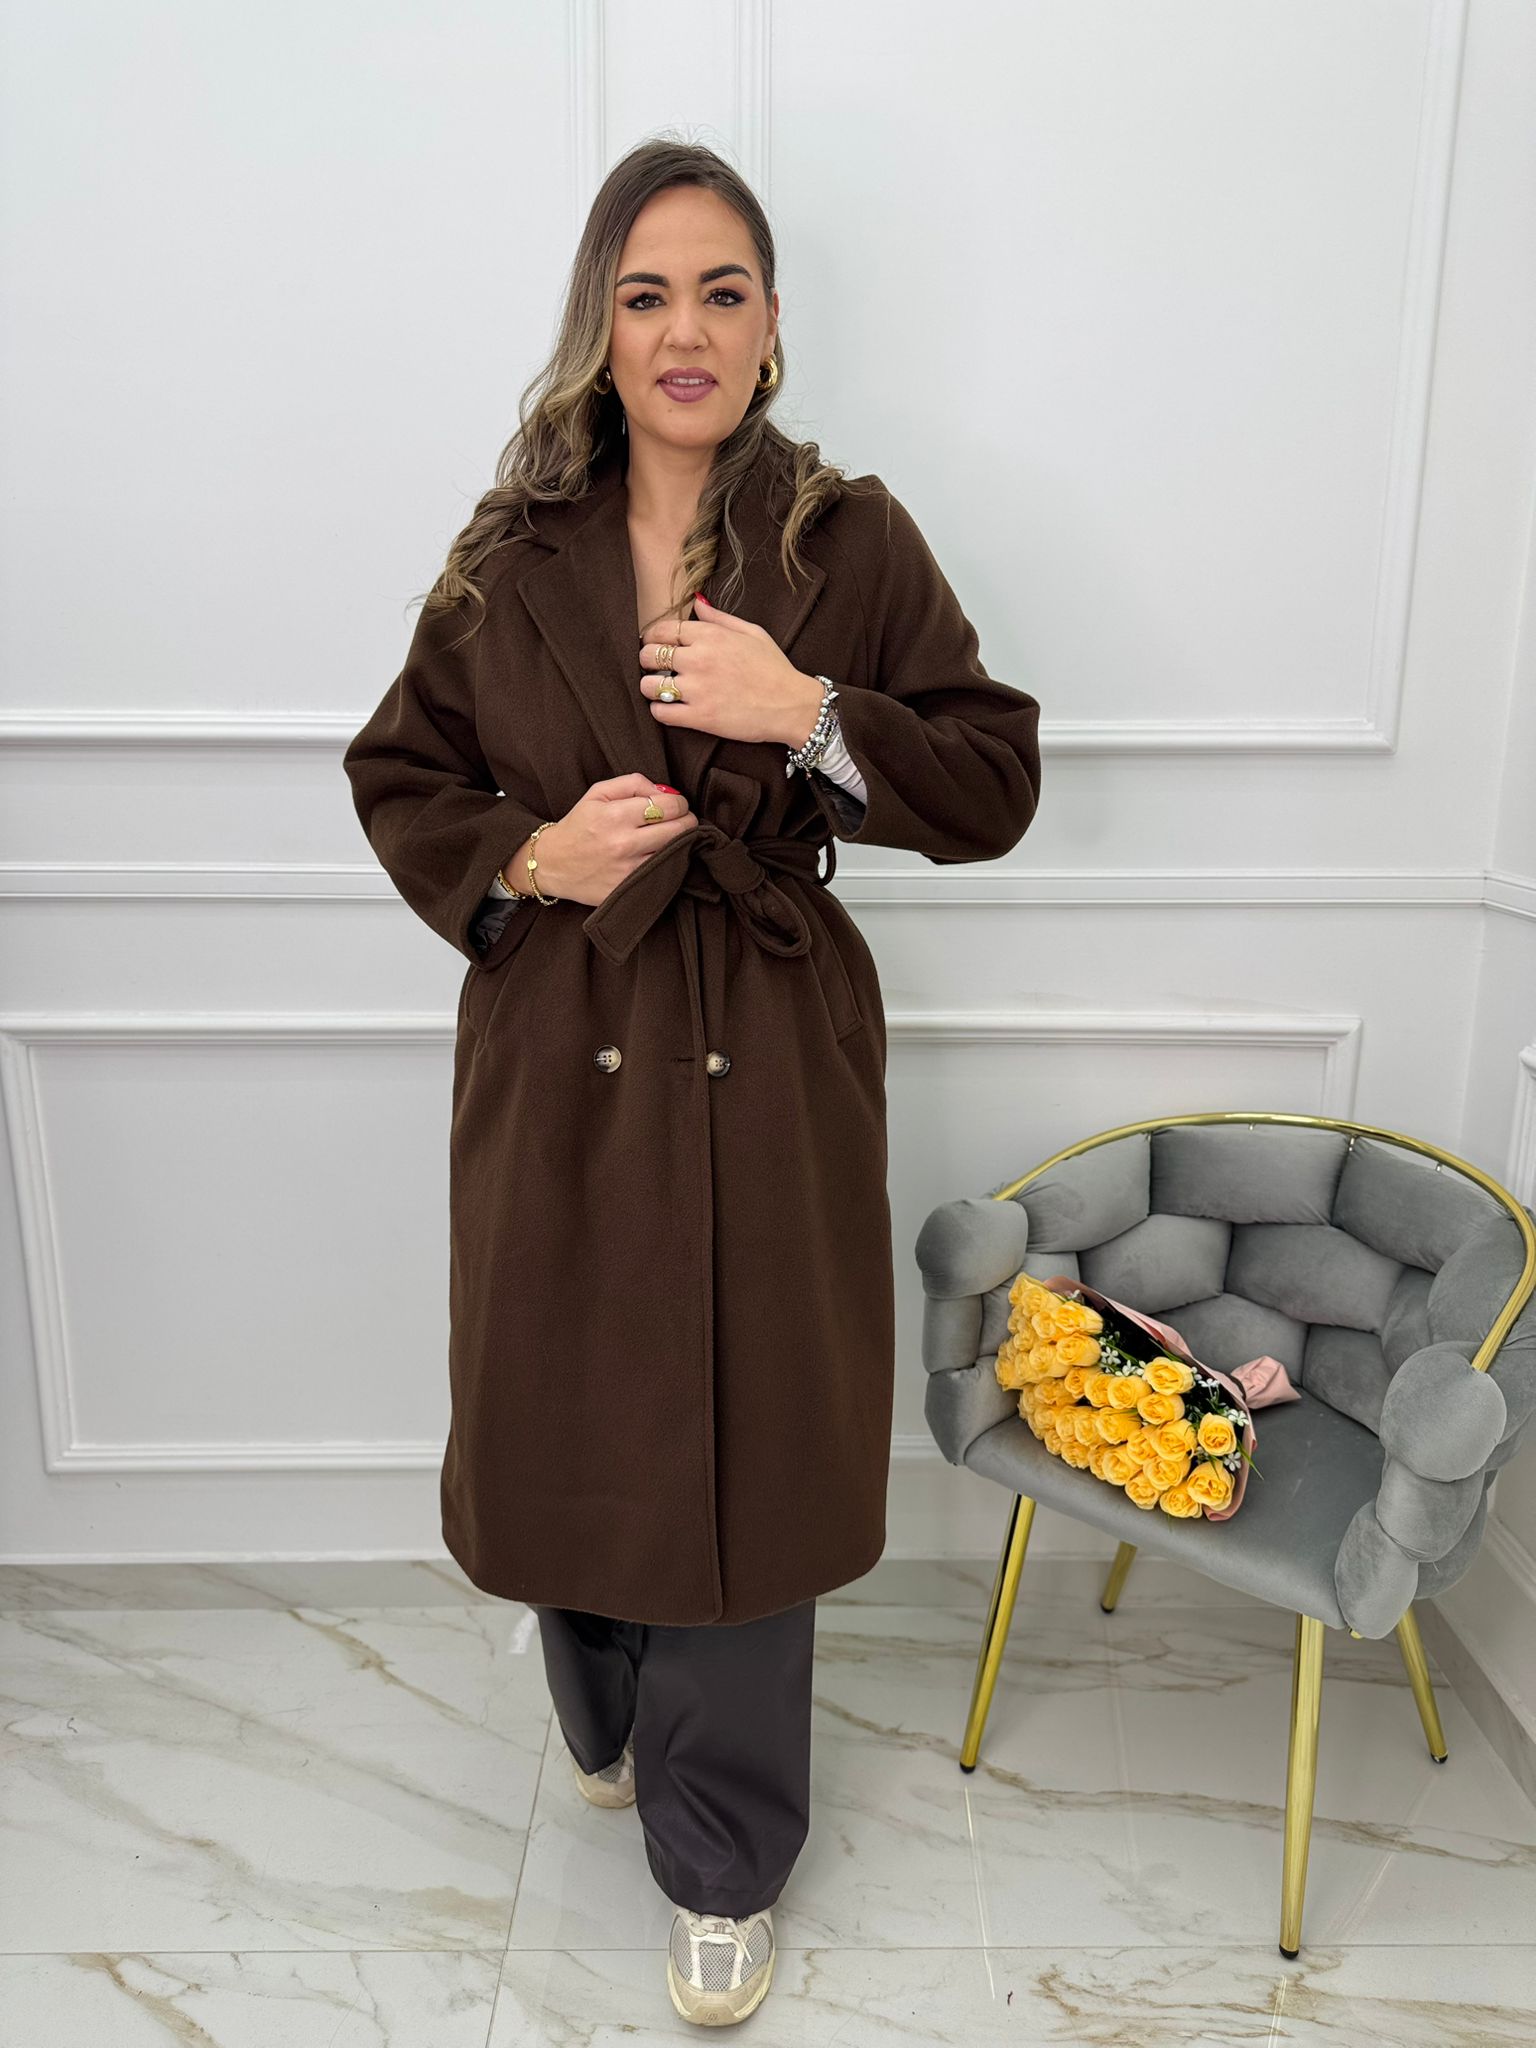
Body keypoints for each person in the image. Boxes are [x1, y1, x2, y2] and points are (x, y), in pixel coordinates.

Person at [342, 137, 1042, 2027]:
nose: (685, 330)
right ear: (601, 322)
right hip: (562, 1030)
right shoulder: (509, 554)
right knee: (561, 1401)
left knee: (746, 1423)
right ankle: (603, 1702)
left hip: (770, 1037)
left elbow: (992, 778)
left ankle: (724, 1854)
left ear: (771, 321)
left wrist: (803, 712)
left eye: (722, 291)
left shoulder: (847, 540)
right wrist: (530, 858)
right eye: (645, 294)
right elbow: (398, 772)